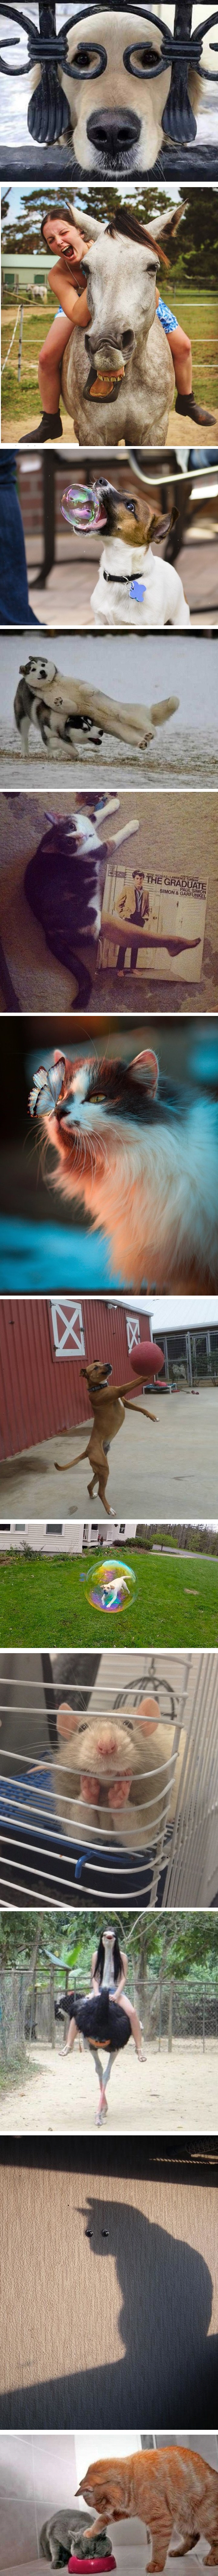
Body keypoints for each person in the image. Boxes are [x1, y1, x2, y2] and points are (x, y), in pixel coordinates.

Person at [20, 206, 108, 448]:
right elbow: (79, 316)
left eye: (63, 233)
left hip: (120, 296)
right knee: (46, 357)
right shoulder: (58, 274)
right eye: (51, 240)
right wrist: (102, 275)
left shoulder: (108, 246)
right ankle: (51, 420)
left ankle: (186, 399)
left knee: (182, 346)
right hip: (76, 304)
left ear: (81, 231)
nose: (58, 242)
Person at [59, 1926, 144, 2124]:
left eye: (112, 1938)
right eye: (106, 1937)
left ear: (115, 1940)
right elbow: (95, 1978)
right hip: (100, 1991)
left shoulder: (122, 1957)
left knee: (131, 2013)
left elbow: (124, 1978)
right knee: (78, 2011)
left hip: (116, 1992)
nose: (109, 1939)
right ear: (103, 1939)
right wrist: (97, 1993)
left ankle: (140, 2049)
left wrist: (116, 1994)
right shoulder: (97, 1955)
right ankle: (69, 2045)